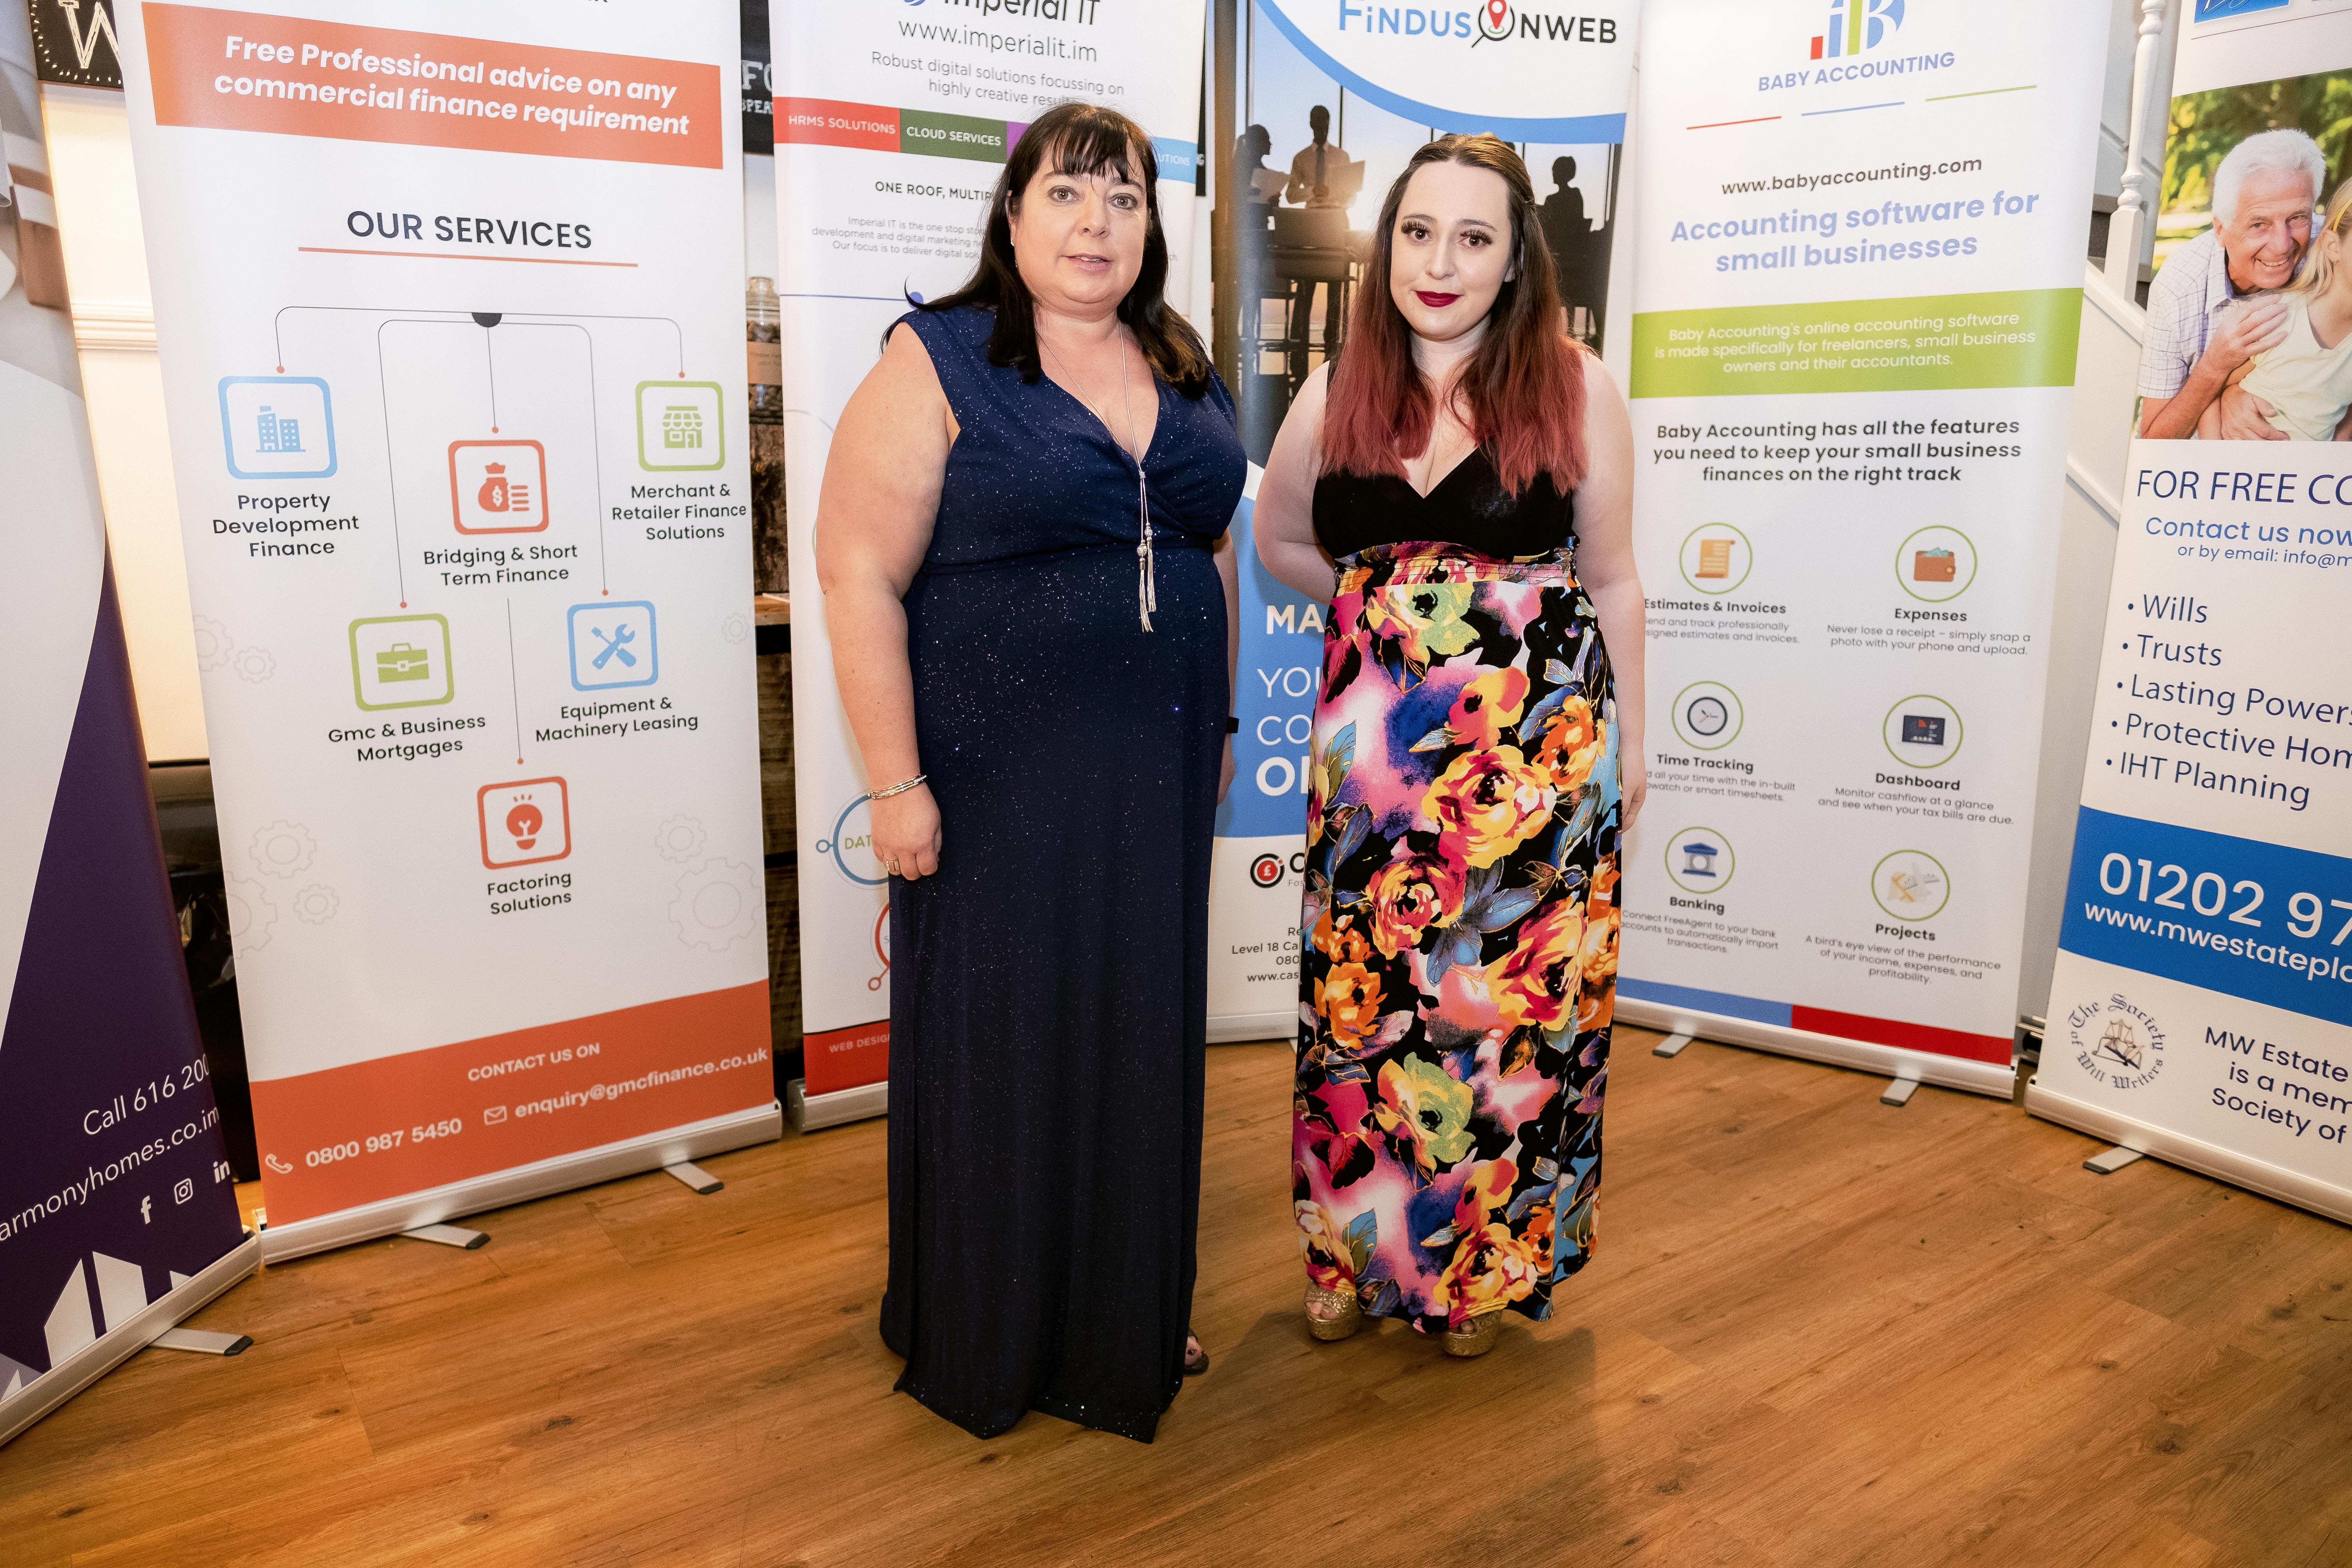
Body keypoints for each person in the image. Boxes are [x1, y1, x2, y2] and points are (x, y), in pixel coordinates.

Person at [813, 101, 1245, 1442]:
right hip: (993, 779)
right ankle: (993, 1319)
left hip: (1156, 771)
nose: (1096, 222)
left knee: (1137, 1032)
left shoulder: (1182, 361)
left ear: (1152, 227)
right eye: (1066, 193)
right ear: (1012, 218)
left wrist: (1220, 732)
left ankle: (1122, 1311)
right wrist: (896, 786)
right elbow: (856, 574)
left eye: (1124, 198)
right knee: (1004, 1036)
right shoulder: (939, 357)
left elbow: (1212, 552)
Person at [1252, 134, 1645, 1358]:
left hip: (1532, 770)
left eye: (1474, 238)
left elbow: (1614, 577)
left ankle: (1475, 1270)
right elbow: (1281, 542)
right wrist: (1388, 618)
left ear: (1515, 258)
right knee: (1361, 1010)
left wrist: (1632, 748)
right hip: (1374, 773)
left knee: (1500, 1022)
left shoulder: (1575, 387)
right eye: (1418, 232)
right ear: (1387, 247)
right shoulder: (1336, 389)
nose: (1440, 262)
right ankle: (1350, 1250)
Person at [2139, 128, 2326, 439]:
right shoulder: (2177, 288)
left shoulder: (2333, 253)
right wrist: (2215, 366)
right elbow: (2154, 440)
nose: (2282, 245)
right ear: (2221, 230)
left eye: (2298, 218)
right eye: (2259, 224)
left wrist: (2231, 393)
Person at [2201, 180, 2352, 441]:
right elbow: (2209, 395)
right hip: (2241, 463)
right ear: (2332, 247)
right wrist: (2213, 458)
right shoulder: (2278, 317)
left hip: (2311, 467)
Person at [1284, 105, 1352, 380]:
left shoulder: (1342, 157)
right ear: (1312, 124)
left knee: (1336, 289)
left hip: (1335, 220)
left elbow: (1351, 196)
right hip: (1311, 223)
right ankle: (1298, 347)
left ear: (1329, 124)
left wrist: (1335, 194)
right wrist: (1313, 191)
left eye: (1325, 123)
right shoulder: (1301, 159)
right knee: (1305, 289)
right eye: (1318, 123)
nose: (1322, 128)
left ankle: (1333, 349)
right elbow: (1291, 195)